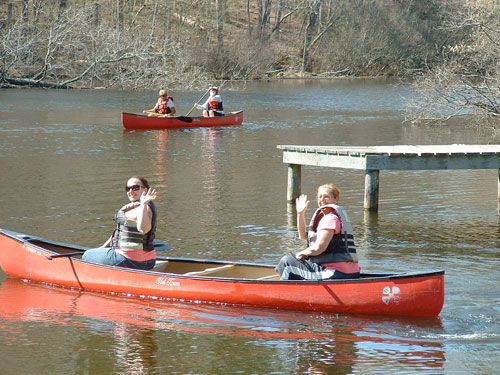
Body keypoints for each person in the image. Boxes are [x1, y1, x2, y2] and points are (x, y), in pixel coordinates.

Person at [276, 183, 360, 280]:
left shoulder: (330, 218)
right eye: (320, 197)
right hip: (349, 272)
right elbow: (303, 236)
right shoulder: (329, 218)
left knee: (286, 263)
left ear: (336, 199)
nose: (322, 199)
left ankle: (285, 293)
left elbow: (319, 248)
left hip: (336, 272)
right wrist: (300, 214)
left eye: (326, 197)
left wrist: (302, 253)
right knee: (294, 263)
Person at [82, 176, 158, 270]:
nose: (130, 191)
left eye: (135, 188)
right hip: (148, 262)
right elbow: (118, 234)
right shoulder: (135, 207)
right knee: (96, 252)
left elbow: (143, 229)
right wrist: (102, 248)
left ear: (145, 190)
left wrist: (144, 204)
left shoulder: (145, 208)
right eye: (128, 188)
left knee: (87, 255)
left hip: (131, 261)